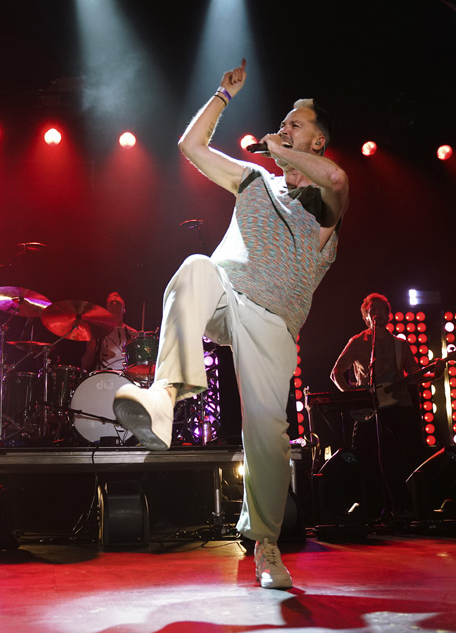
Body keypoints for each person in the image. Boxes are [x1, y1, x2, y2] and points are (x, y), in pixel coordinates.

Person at [113, 59, 348, 589]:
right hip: (226, 294)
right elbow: (190, 148)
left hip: (272, 320)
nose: (285, 126)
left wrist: (277, 147)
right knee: (196, 267)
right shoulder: (254, 181)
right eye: (283, 121)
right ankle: (163, 398)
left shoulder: (324, 206)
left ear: (318, 141)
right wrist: (222, 94)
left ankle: (265, 545)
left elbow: (334, 177)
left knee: (267, 431)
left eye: (297, 123)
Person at [330, 293, 438, 521]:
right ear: (366, 317)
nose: (376, 313)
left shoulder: (400, 344)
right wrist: (353, 398)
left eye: (381, 310)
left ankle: (416, 505)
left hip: (400, 406)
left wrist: (433, 375)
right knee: (363, 457)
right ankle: (368, 508)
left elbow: (414, 375)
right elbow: (336, 372)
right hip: (369, 410)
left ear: (388, 315)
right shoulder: (358, 342)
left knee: (411, 455)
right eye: (372, 310)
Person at [81, 292, 139, 372]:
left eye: (118, 303)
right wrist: (90, 350)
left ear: (124, 310)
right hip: (103, 378)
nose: (114, 305)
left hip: (127, 378)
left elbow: (140, 365)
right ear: (107, 309)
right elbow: (85, 365)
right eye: (111, 303)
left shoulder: (133, 334)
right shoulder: (97, 332)